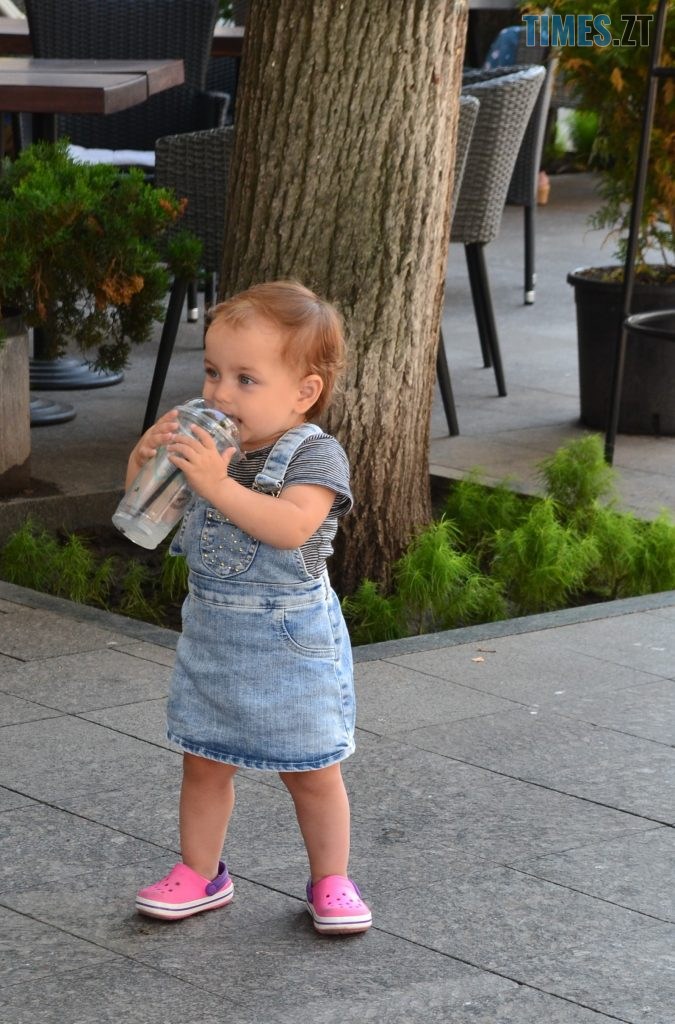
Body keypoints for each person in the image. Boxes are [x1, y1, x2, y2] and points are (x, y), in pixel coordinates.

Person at [127, 280, 371, 935]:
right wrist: (144, 462)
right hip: (214, 640)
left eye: (245, 379)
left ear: (303, 392)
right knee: (204, 764)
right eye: (212, 372)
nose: (220, 394)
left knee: (312, 772)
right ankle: (200, 872)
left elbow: (291, 526)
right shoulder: (209, 445)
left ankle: (331, 879)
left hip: (291, 645)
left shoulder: (314, 454)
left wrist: (215, 483)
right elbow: (151, 516)